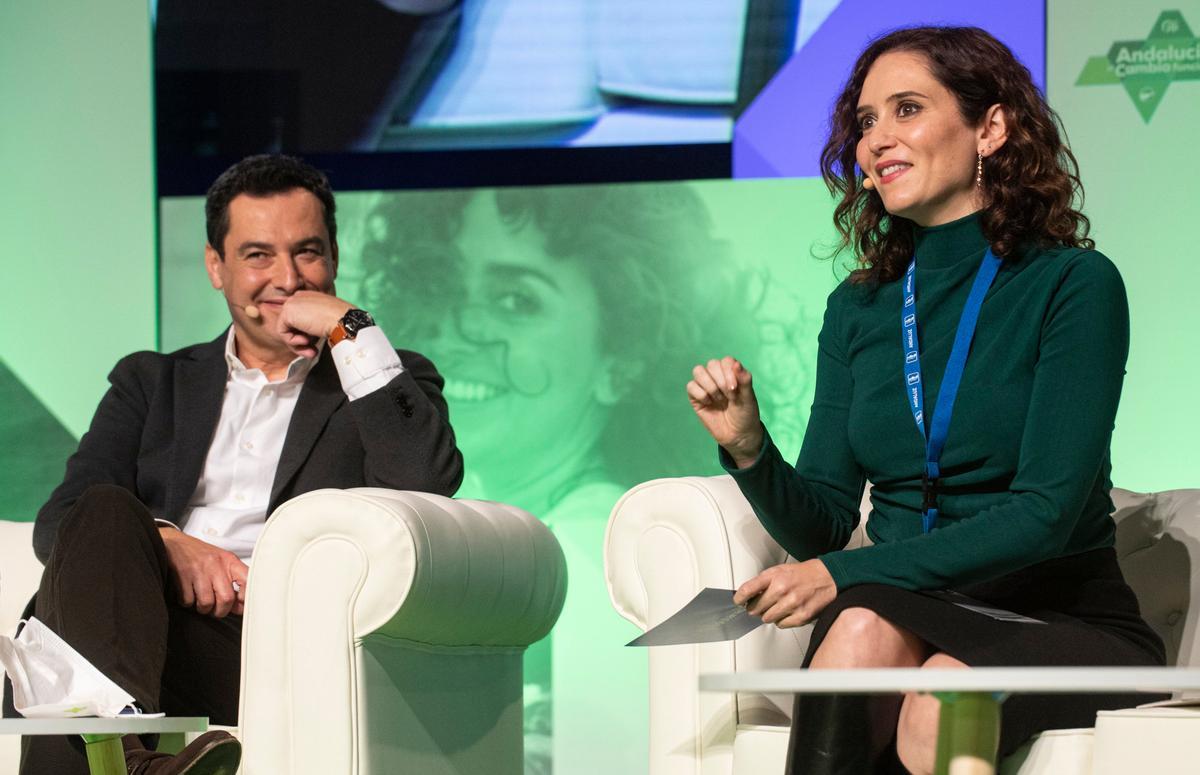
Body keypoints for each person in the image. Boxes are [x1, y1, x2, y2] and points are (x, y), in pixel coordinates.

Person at [687, 26, 1165, 775]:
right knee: (855, 635)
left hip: (1055, 611)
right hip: (910, 606)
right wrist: (748, 447)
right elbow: (825, 520)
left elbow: (1046, 511)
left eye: (907, 109)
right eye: (867, 121)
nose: (878, 139)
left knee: (942, 692)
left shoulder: (1073, 285)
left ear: (992, 127)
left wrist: (843, 575)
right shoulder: (860, 307)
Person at [4, 154, 462, 775]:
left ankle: (131, 761)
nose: (287, 278)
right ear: (216, 266)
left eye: (307, 251)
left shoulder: (378, 378)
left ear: (334, 258)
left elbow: (427, 486)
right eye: (257, 256)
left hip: (266, 645)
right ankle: (139, 764)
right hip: (134, 623)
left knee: (58, 667)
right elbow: (59, 524)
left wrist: (348, 328)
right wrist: (169, 542)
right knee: (106, 512)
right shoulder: (151, 382)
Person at [357, 184, 760, 773]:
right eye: (443, 285)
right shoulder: (519, 527)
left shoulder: (583, 553)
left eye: (517, 299)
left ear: (621, 358)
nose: (462, 327)